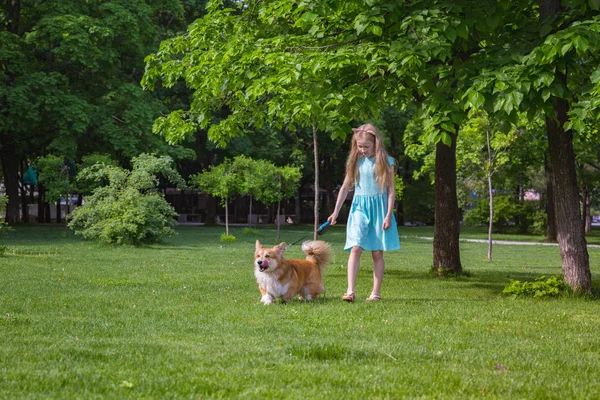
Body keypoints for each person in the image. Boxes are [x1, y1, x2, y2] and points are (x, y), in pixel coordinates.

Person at [327, 123, 400, 302]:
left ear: (376, 143)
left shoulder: (386, 162)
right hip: (359, 207)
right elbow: (345, 187)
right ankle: (350, 291)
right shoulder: (355, 162)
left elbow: (391, 191)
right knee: (356, 247)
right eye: (359, 146)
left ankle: (375, 293)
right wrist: (335, 211)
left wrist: (388, 215)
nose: (363, 150)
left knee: (376, 252)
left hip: (380, 209)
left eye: (366, 146)